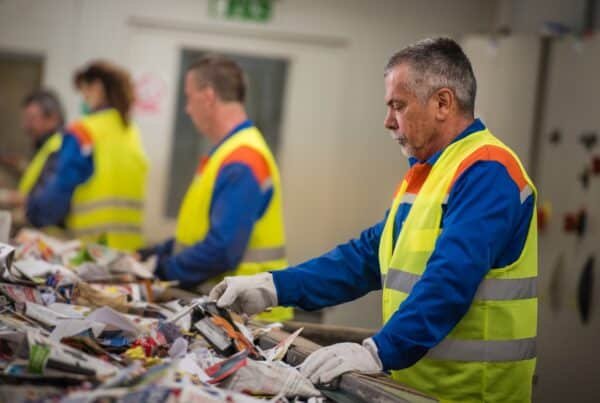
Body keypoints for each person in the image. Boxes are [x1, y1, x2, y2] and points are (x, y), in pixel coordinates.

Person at [210, 38, 537, 402]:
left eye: (398, 106)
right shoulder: (428, 172)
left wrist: (379, 351)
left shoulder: (487, 171)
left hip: (471, 394)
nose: (387, 121)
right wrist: (274, 286)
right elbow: (365, 257)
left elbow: (450, 279)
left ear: (443, 103)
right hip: (416, 389)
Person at [143, 55, 292, 322]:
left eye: (189, 97)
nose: (187, 109)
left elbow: (221, 250)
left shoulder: (242, 159)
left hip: (249, 319)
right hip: (232, 313)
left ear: (208, 97)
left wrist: (161, 269)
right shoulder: (229, 152)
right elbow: (202, 232)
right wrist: (156, 253)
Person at [26, 61, 149, 251]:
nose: (83, 98)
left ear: (97, 87)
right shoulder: (131, 133)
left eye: (84, 90)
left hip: (89, 253)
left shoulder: (83, 132)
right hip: (128, 254)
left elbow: (57, 194)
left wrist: (33, 213)